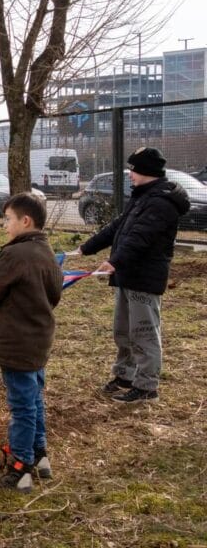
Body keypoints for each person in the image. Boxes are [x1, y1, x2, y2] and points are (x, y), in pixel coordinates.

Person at [0, 193, 62, 493]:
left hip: (17, 342)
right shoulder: (46, 252)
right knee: (34, 399)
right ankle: (39, 456)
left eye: (7, 219)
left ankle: (19, 470)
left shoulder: (16, 255)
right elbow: (54, 293)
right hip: (38, 339)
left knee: (22, 406)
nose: (4, 225)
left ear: (25, 221)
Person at [77, 147, 190, 404]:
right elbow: (118, 227)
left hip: (144, 279)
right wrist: (87, 248)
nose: (130, 174)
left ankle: (147, 386)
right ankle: (125, 376)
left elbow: (140, 237)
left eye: (133, 169)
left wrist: (114, 262)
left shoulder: (161, 203)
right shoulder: (143, 197)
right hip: (127, 276)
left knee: (143, 333)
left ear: (146, 171)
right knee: (123, 331)